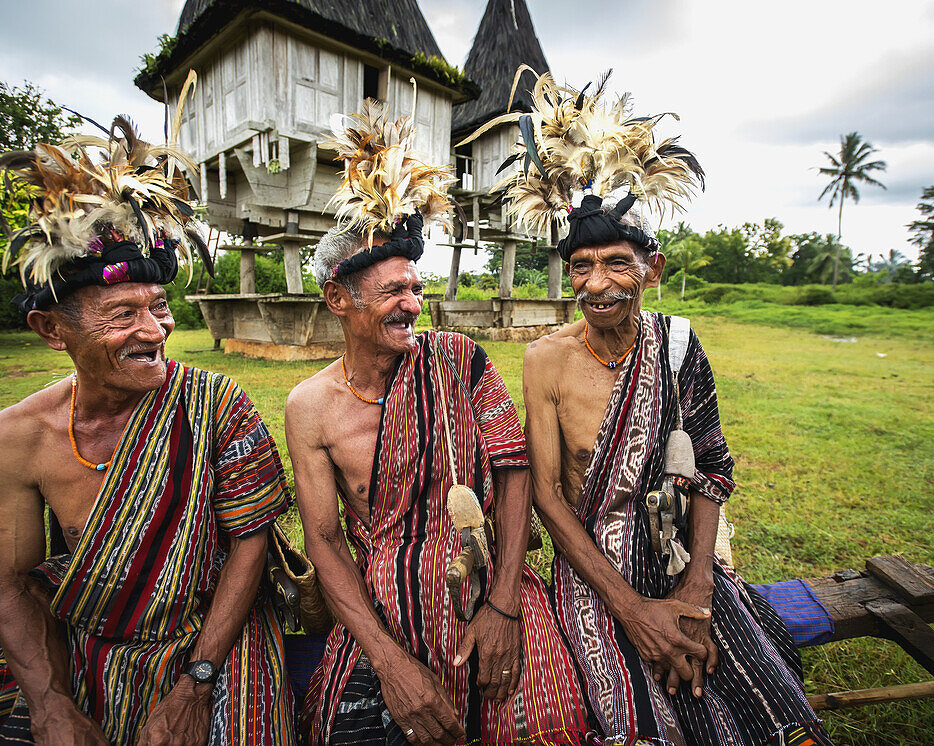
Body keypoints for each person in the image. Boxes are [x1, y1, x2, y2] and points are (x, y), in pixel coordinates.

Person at [499, 74, 831, 745]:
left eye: (617, 264)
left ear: (651, 268)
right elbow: (549, 500)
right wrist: (631, 609)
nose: (597, 284)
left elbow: (710, 469)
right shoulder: (544, 361)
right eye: (582, 265)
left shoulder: (678, 344)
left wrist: (700, 588)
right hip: (592, 571)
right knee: (638, 711)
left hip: (679, 556)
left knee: (753, 691)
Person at [0, 107, 296, 745]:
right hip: (92, 645)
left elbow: (250, 546)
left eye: (158, 307)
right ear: (51, 330)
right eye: (123, 313)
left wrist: (197, 681)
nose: (154, 332)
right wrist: (49, 704)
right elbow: (15, 582)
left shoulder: (214, 405)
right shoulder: (16, 438)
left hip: (213, 643)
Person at [287, 100, 590, 745]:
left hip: (488, 591)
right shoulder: (309, 408)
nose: (412, 304)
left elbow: (513, 478)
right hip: (386, 618)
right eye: (395, 291)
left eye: (416, 288)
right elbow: (326, 543)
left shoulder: (458, 362)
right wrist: (391, 664)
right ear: (340, 300)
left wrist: (505, 606)